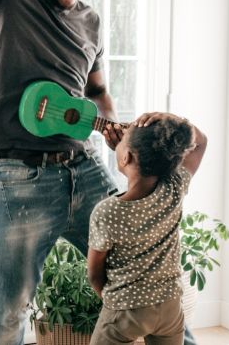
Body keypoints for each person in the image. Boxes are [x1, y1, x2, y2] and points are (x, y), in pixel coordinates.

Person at [0, 0, 197, 344]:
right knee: (11, 306)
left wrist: (113, 129)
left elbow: (97, 90)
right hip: (21, 176)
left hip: (84, 165)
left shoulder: (90, 21)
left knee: (143, 270)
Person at [87, 112, 207, 345]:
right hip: (169, 307)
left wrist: (113, 300)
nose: (117, 141)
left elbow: (94, 274)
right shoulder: (174, 187)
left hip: (124, 309)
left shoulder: (107, 211)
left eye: (122, 140)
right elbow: (201, 142)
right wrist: (166, 119)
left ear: (126, 158)